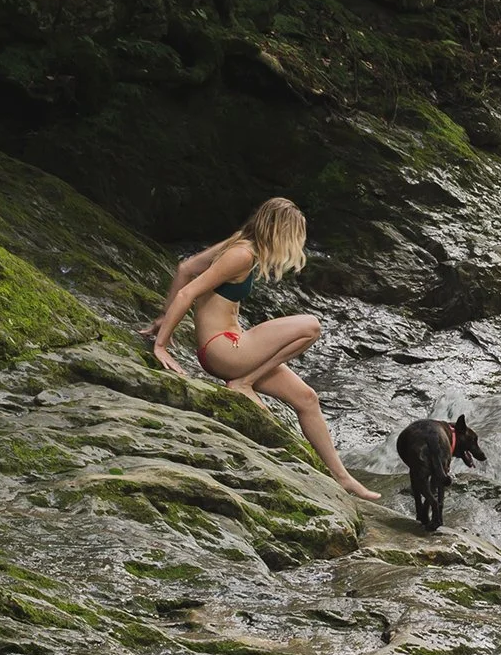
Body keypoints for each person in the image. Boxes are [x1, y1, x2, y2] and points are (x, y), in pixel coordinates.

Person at [144, 196, 380, 501]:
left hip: (232, 348)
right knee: (311, 326)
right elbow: (189, 290)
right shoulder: (241, 255)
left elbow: (185, 267)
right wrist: (161, 344)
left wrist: (163, 316)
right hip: (225, 350)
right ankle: (244, 382)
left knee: (307, 398)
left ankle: (343, 478)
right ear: (278, 229)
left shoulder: (241, 244)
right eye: (294, 235)